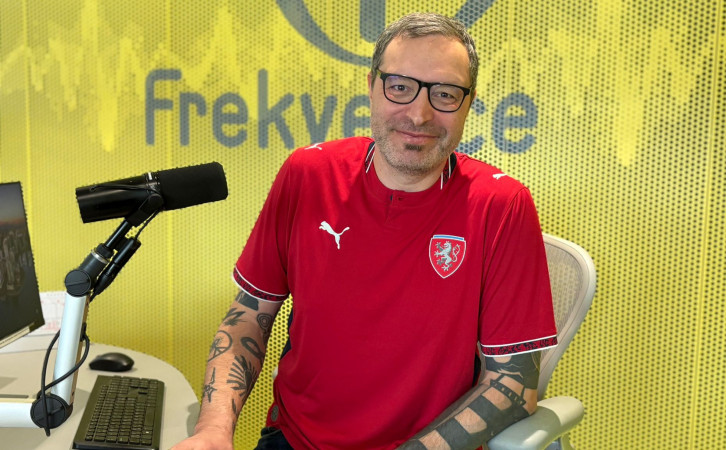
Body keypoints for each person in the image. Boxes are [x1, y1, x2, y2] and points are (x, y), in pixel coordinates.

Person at [173, 12, 557, 450]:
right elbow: (247, 317)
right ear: (372, 87)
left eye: (445, 94)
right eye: (400, 87)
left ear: (468, 103)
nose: (419, 114)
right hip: (295, 440)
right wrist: (212, 430)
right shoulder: (308, 174)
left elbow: (512, 386)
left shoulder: (501, 205)